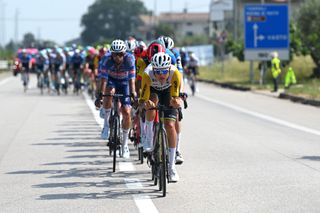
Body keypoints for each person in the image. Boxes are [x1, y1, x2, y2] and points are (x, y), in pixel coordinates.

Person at [139, 52, 182, 182]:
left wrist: (177, 102)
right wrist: (145, 104)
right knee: (151, 104)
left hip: (168, 91)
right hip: (153, 91)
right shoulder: (148, 73)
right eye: (158, 72)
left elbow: (176, 97)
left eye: (164, 72)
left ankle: (171, 167)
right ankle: (148, 138)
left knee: (170, 125)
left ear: (169, 69)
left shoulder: (175, 73)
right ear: (154, 70)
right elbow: (143, 99)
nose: (161, 75)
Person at [95, 39, 136, 159]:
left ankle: (124, 146)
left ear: (124, 53)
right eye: (115, 54)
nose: (118, 57)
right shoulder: (106, 60)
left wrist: (133, 94)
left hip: (124, 84)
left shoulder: (130, 59)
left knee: (127, 112)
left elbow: (131, 80)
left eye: (121, 54)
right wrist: (100, 96)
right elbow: (103, 80)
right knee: (108, 92)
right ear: (111, 53)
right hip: (111, 81)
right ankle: (106, 125)